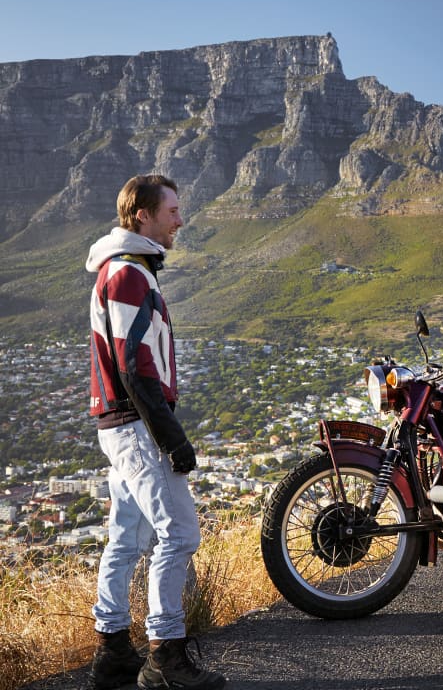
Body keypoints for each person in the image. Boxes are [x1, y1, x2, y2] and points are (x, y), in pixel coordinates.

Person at [86, 175, 226, 690]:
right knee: (180, 533)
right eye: (172, 210)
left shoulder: (129, 271)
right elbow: (133, 367)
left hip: (123, 425)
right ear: (142, 214)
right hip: (136, 426)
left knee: (127, 537)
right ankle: (165, 657)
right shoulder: (127, 275)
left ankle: (114, 649)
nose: (180, 220)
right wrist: (172, 438)